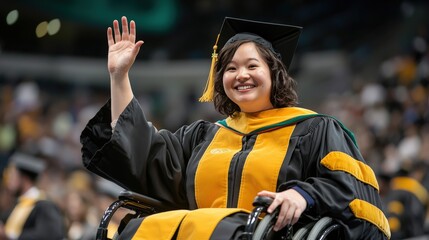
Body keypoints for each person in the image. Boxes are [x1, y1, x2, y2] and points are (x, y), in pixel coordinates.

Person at [80, 16, 391, 239]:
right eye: (230, 68)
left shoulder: (315, 129)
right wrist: (119, 78)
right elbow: (142, 154)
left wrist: (302, 195)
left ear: (274, 73)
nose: (240, 74)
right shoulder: (203, 136)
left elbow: (348, 188)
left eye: (252, 65)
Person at [0, 152, 65, 240]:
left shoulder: (44, 206)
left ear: (24, 179)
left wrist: (11, 237)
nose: (8, 181)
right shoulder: (18, 205)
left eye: (12, 176)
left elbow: (50, 235)